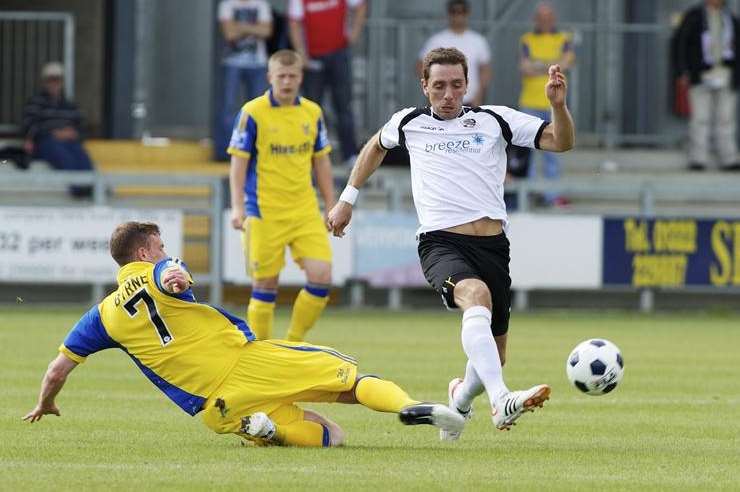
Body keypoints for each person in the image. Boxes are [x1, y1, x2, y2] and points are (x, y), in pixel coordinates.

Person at [22, 221, 464, 448]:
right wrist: (176, 277)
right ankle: (409, 407)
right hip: (245, 362)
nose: (164, 251)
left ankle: (266, 431)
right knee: (350, 381)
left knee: (333, 435)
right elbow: (171, 274)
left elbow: (58, 369)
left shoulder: (101, 316)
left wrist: (46, 403)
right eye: (159, 246)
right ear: (143, 252)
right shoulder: (160, 270)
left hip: (214, 406)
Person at [327, 47, 575, 438]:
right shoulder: (408, 122)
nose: (448, 94)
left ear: (467, 84)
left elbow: (560, 142)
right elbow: (375, 146)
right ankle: (501, 400)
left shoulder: (494, 120)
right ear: (424, 86)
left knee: (497, 353)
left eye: (456, 85)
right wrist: (347, 198)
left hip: (494, 246)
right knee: (473, 295)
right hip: (441, 242)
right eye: (439, 86)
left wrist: (557, 106)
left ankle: (459, 400)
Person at [228, 49, 335, 342]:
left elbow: (321, 161)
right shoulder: (253, 112)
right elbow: (238, 163)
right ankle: (262, 350)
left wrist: (332, 205)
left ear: (301, 78)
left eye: (292, 76)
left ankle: (293, 342)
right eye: (281, 76)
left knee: (322, 276)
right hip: (263, 212)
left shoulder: (312, 112)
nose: (287, 82)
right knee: (265, 284)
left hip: (304, 209)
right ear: (270, 77)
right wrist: (237, 207)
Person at [287, 0, 366, 165]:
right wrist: (301, 54)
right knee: (311, 108)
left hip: (339, 53)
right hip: (313, 57)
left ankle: (350, 155)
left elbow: (360, 6)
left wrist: (355, 32)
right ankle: (309, 153)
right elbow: (294, 24)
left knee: (344, 106)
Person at [518, 2, 575, 206]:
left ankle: (552, 195)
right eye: (541, 17)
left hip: (555, 105)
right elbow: (525, 67)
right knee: (529, 152)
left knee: (554, 151)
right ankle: (531, 193)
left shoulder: (563, 39)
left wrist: (538, 64)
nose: (544, 20)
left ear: (553, 19)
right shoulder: (527, 39)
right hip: (530, 102)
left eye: (548, 16)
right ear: (536, 19)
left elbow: (565, 63)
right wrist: (551, 64)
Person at [675, 0, 740, 171]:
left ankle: (729, 158)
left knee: (726, 118)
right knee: (700, 118)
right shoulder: (694, 16)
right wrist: (682, 71)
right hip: (701, 73)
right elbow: (680, 42)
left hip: (725, 72)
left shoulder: (730, 18)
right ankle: (698, 159)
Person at [22, 62, 95, 197]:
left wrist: (74, 133)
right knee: (61, 153)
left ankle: (93, 186)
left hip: (69, 142)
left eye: (57, 80)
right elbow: (29, 126)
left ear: (62, 82)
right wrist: (53, 133)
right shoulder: (35, 102)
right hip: (45, 143)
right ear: (44, 82)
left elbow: (82, 126)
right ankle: (79, 188)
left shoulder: (70, 104)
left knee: (82, 155)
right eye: (51, 80)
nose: (54, 83)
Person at [214, 0, 273, 161]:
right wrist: (254, 28)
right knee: (228, 107)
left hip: (258, 63)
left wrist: (239, 26)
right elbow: (229, 34)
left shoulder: (261, 5)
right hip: (231, 62)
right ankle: (226, 152)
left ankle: (255, 152)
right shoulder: (227, 5)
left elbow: (266, 31)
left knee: (259, 109)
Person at [416, 0, 491, 107]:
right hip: (442, 102)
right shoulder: (436, 40)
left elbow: (485, 71)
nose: (458, 16)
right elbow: (420, 66)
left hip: (470, 102)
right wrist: (432, 90)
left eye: (462, 11)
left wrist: (478, 95)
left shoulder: (478, 41)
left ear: (467, 13)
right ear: (448, 14)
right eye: (454, 11)